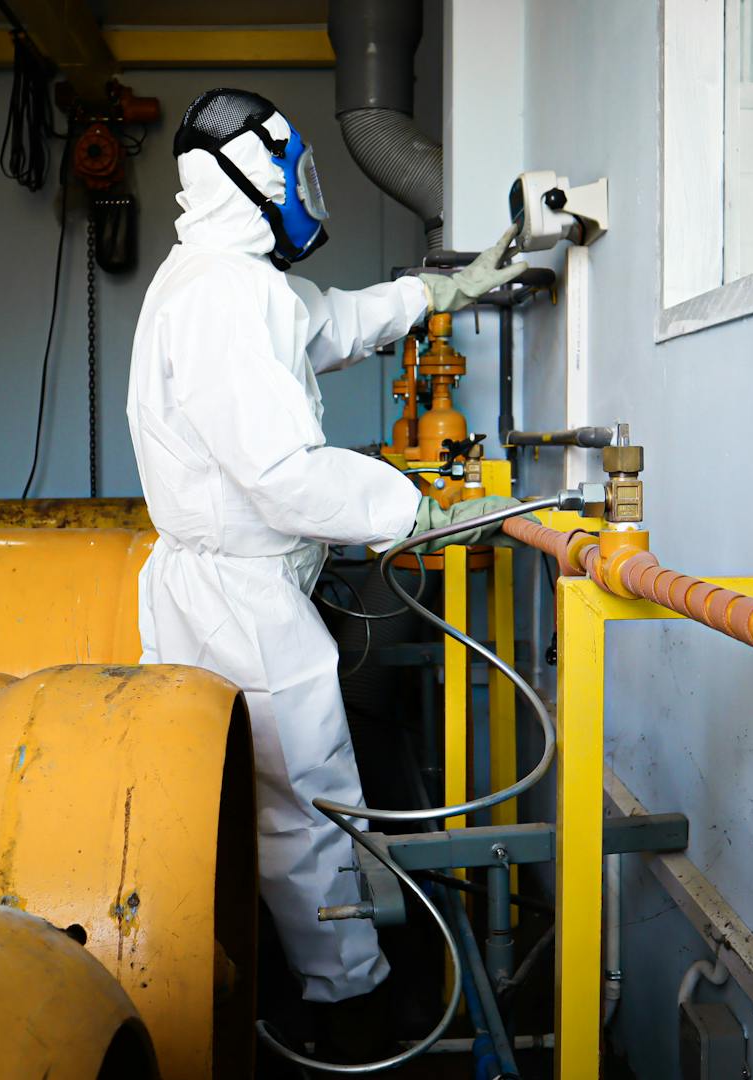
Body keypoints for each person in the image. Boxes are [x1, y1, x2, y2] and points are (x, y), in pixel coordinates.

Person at [125, 88, 526, 1035]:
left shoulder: (219, 277)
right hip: (240, 597)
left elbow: (326, 325)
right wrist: (416, 510)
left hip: (216, 582)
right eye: (292, 168)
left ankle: (260, 978)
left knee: (238, 801)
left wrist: (435, 292)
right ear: (261, 177)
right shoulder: (224, 296)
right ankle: (349, 1003)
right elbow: (277, 475)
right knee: (307, 801)